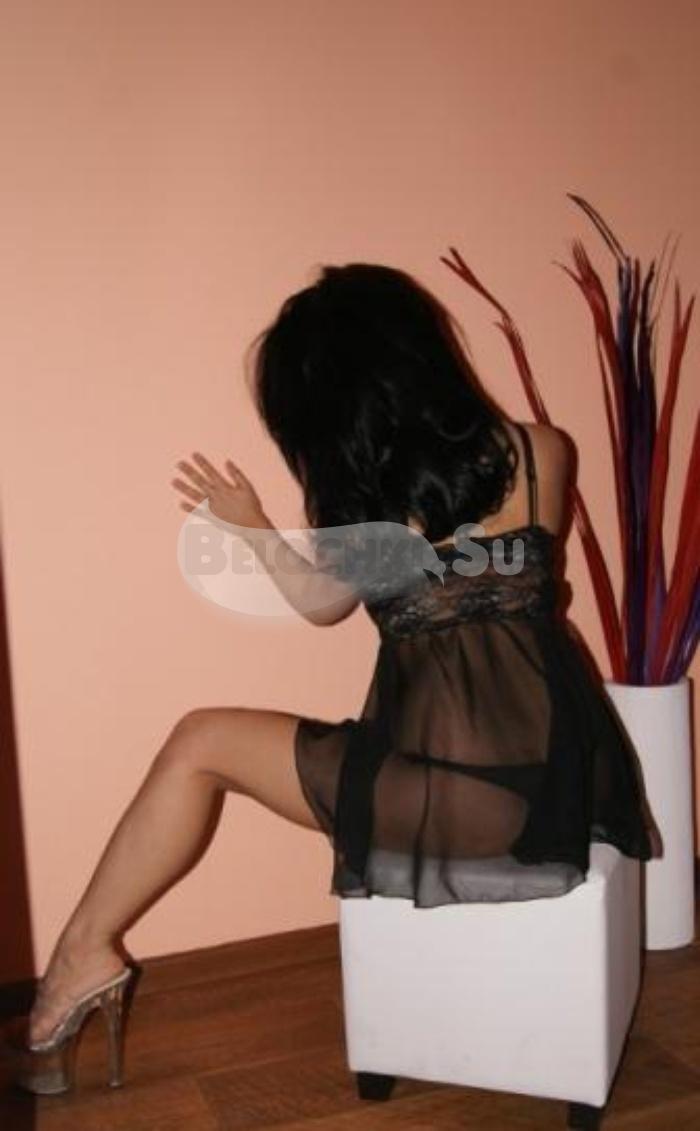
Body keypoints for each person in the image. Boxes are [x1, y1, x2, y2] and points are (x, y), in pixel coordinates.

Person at [10, 263, 657, 1095]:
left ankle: (77, 959)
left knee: (200, 741)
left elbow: (321, 608)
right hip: (563, 781)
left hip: (454, 806)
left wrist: (252, 528)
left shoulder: (378, 510)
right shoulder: (545, 451)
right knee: (230, 740)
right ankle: (81, 960)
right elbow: (506, 598)